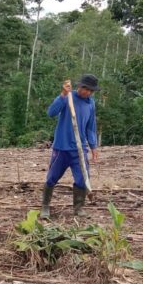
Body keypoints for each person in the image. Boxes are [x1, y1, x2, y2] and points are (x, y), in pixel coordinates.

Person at [41, 74, 99, 219]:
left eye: (91, 91)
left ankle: (78, 208)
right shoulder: (68, 97)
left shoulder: (90, 103)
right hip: (61, 148)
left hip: (79, 149)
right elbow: (51, 112)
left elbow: (91, 127)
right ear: (80, 87)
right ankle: (45, 207)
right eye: (87, 89)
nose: (88, 93)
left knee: (82, 179)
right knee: (52, 178)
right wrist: (62, 95)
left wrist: (93, 146)